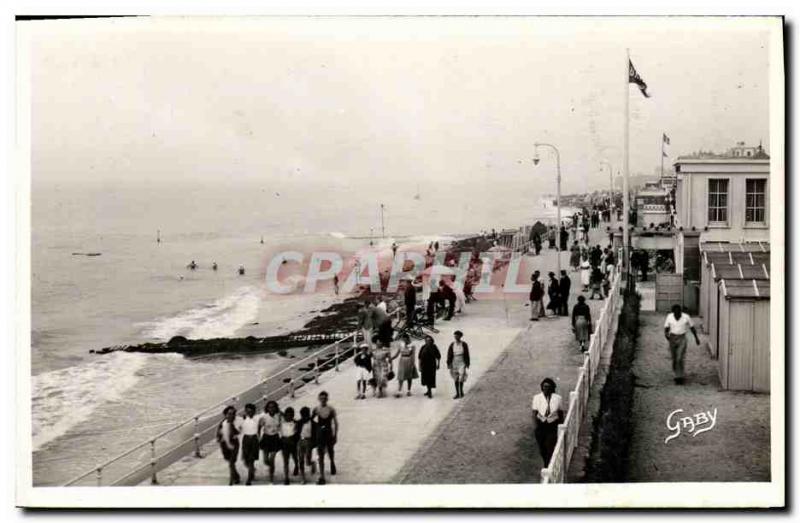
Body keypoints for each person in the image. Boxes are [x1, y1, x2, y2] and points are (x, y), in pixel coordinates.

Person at [664, 304, 701, 385]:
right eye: (676, 313)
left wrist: (696, 338)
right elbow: (666, 328)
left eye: (679, 313)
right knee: (674, 358)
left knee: (679, 357)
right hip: (672, 338)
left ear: (681, 312)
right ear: (673, 312)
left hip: (682, 338)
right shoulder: (669, 317)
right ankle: (676, 373)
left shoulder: (686, 317)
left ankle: (679, 377)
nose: (678, 315)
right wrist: (666, 335)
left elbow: (692, 328)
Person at [532, 378, 564, 467]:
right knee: (542, 448)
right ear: (542, 387)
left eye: (548, 387)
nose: (546, 389)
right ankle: (546, 461)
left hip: (552, 425)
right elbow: (534, 413)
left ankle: (547, 465)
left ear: (552, 388)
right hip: (541, 425)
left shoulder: (557, 398)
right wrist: (535, 426)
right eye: (544, 386)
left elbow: (560, 412)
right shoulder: (537, 398)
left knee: (550, 446)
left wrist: (562, 424)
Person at [312, 391, 338, 485]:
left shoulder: (331, 409)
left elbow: (335, 423)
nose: (323, 400)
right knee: (320, 454)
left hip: (329, 433)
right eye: (321, 398)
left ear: (327, 399)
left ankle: (332, 462)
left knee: (330, 451)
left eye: (324, 398)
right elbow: (310, 420)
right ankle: (322, 476)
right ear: (319, 399)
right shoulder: (316, 409)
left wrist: (335, 435)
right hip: (320, 434)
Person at [258, 400, 282, 484]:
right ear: (267, 408)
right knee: (265, 460)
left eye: (273, 407)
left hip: (275, 438)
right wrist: (258, 437)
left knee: (272, 459)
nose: (271, 409)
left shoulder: (278, 415)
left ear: (276, 408)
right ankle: (271, 467)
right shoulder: (264, 417)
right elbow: (259, 427)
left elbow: (286, 419)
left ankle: (271, 478)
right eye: (270, 407)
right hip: (266, 438)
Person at [217, 406, 241, 485]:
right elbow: (218, 433)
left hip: (234, 444)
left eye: (233, 414)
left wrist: (231, 425)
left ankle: (231, 481)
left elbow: (238, 432)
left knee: (231, 462)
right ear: (225, 414)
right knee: (230, 461)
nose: (231, 415)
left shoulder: (237, 422)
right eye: (229, 414)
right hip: (224, 444)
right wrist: (219, 438)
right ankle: (236, 476)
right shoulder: (222, 423)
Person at [278, 407, 300, 485]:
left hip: (292, 444)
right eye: (287, 415)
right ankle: (286, 478)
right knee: (285, 461)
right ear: (285, 415)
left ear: (293, 415)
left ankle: (296, 466)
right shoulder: (282, 422)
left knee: (294, 457)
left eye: (291, 415)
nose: (289, 417)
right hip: (284, 444)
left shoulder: (295, 423)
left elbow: (297, 433)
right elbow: (280, 413)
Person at [240, 403, 260, 485]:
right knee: (245, 460)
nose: (249, 413)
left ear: (254, 411)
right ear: (245, 411)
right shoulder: (243, 419)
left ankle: (249, 479)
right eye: (248, 411)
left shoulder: (257, 418)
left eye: (251, 411)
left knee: (251, 459)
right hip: (246, 439)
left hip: (254, 439)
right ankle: (252, 470)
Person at [446, 330, 470, 399]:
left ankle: (461, 392)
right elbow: (449, 354)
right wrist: (449, 363)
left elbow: (467, 354)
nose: (456, 337)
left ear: (460, 336)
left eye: (457, 336)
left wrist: (467, 363)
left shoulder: (464, 344)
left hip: (462, 361)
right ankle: (457, 393)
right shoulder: (452, 344)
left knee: (462, 376)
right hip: (454, 361)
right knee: (456, 377)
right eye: (455, 336)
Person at [296, 406, 315, 483]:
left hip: (309, 442)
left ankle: (312, 463)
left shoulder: (312, 423)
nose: (305, 417)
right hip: (300, 442)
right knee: (300, 460)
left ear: (308, 415)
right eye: (303, 415)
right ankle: (303, 477)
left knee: (307, 460)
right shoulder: (299, 422)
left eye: (306, 415)